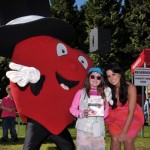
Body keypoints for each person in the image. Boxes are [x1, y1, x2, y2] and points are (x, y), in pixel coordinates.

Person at [104, 63, 144, 150]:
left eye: (113, 74)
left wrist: (124, 132)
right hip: (115, 117)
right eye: (109, 76)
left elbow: (131, 112)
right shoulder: (108, 89)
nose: (111, 78)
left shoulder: (131, 87)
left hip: (131, 117)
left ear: (120, 74)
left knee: (128, 140)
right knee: (115, 139)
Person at [70, 67, 112, 150]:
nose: (95, 79)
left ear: (101, 80)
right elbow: (72, 109)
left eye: (98, 77)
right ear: (88, 78)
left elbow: (106, 114)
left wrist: (104, 105)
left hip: (98, 129)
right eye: (92, 76)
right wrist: (81, 113)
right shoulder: (81, 92)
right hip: (83, 129)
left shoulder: (104, 94)